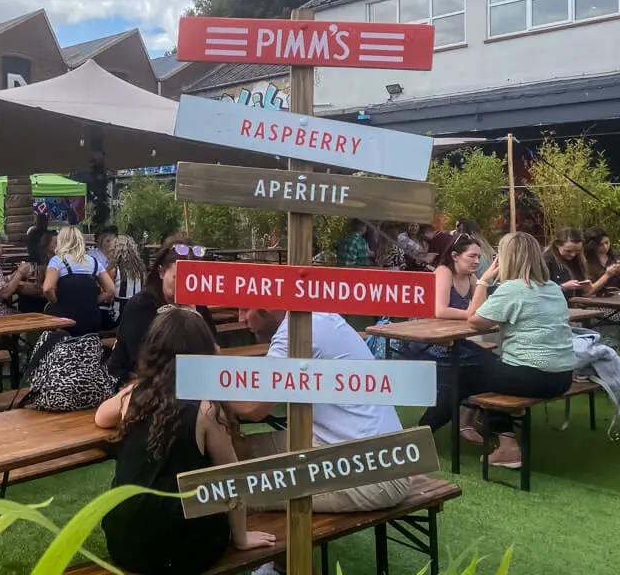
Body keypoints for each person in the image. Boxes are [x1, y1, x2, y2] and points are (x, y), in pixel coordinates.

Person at [96, 306, 276, 573]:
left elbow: (101, 417)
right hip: (186, 548)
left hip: (124, 542)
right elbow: (232, 480)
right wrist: (241, 537)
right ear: (205, 352)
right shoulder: (206, 409)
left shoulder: (134, 396)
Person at [235, 308, 412, 512]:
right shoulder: (316, 315)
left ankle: (235, 538)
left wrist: (210, 396)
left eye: (244, 309)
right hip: (344, 447)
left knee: (245, 494)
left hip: (374, 475)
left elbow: (254, 407)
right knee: (240, 450)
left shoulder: (298, 330)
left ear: (269, 302)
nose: (240, 319)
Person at [465, 232, 576, 468]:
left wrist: (483, 280)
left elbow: (473, 320)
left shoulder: (513, 289)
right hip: (563, 376)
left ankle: (506, 445)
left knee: (471, 367)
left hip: (533, 376)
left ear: (507, 258)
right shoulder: (554, 289)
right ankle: (496, 424)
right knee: (489, 364)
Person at [107, 238, 217, 383]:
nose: (186, 285)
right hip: (132, 382)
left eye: (193, 279)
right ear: (161, 272)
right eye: (178, 278)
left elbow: (213, 350)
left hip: (181, 381)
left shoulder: (197, 306)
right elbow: (143, 363)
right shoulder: (141, 307)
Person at [417, 233, 493, 435]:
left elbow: (481, 309)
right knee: (464, 377)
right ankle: (425, 430)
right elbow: (439, 310)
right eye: (472, 256)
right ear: (455, 255)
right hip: (431, 342)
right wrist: (471, 314)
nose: (477, 261)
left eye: (478, 257)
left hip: (455, 341)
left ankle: (468, 421)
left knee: (486, 366)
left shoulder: (471, 277)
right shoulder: (443, 272)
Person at [42, 226, 115, 336]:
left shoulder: (57, 261)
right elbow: (110, 290)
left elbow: (47, 288)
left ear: (61, 241)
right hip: (91, 318)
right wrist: (93, 300)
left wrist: (56, 302)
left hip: (65, 320)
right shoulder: (93, 262)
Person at [105, 235, 147, 327]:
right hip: (138, 312)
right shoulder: (140, 270)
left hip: (119, 315)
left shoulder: (114, 269)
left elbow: (109, 295)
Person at [544, 228, 591, 298]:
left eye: (577, 251)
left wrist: (585, 287)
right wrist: (563, 287)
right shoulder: (547, 260)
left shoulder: (578, 260)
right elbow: (541, 290)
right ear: (557, 244)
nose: (573, 255)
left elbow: (583, 292)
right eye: (568, 251)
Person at [583, 227, 620, 293]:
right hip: (596, 300)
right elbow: (588, 291)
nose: (605, 247)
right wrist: (607, 275)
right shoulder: (585, 261)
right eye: (600, 245)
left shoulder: (615, 255)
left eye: (607, 242)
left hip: (617, 296)